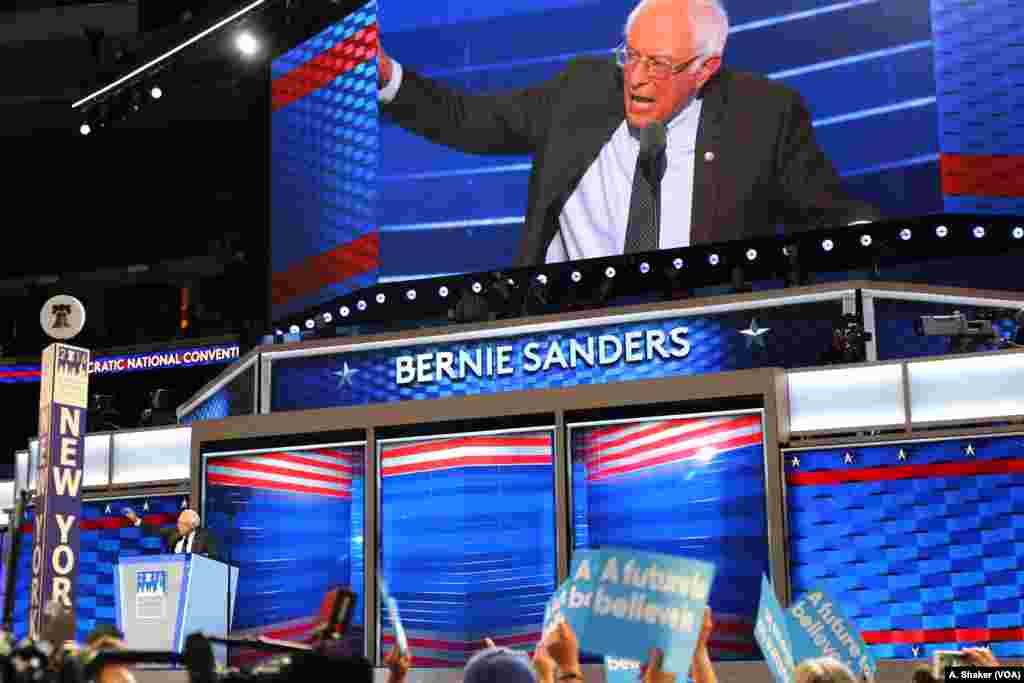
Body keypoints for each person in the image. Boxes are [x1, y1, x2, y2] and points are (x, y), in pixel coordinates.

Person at [378, 0, 878, 266]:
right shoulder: (581, 92)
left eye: (658, 64)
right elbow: (472, 121)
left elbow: (834, 217)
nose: (637, 78)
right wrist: (389, 79)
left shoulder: (761, 117)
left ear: (705, 69)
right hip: (565, 341)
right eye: (631, 55)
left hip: (699, 344)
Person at [124, 507, 219, 559]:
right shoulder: (174, 533)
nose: (179, 526)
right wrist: (136, 520)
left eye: (183, 524)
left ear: (192, 526)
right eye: (179, 522)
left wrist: (203, 558)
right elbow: (155, 529)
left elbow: (214, 557)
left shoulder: (205, 537)